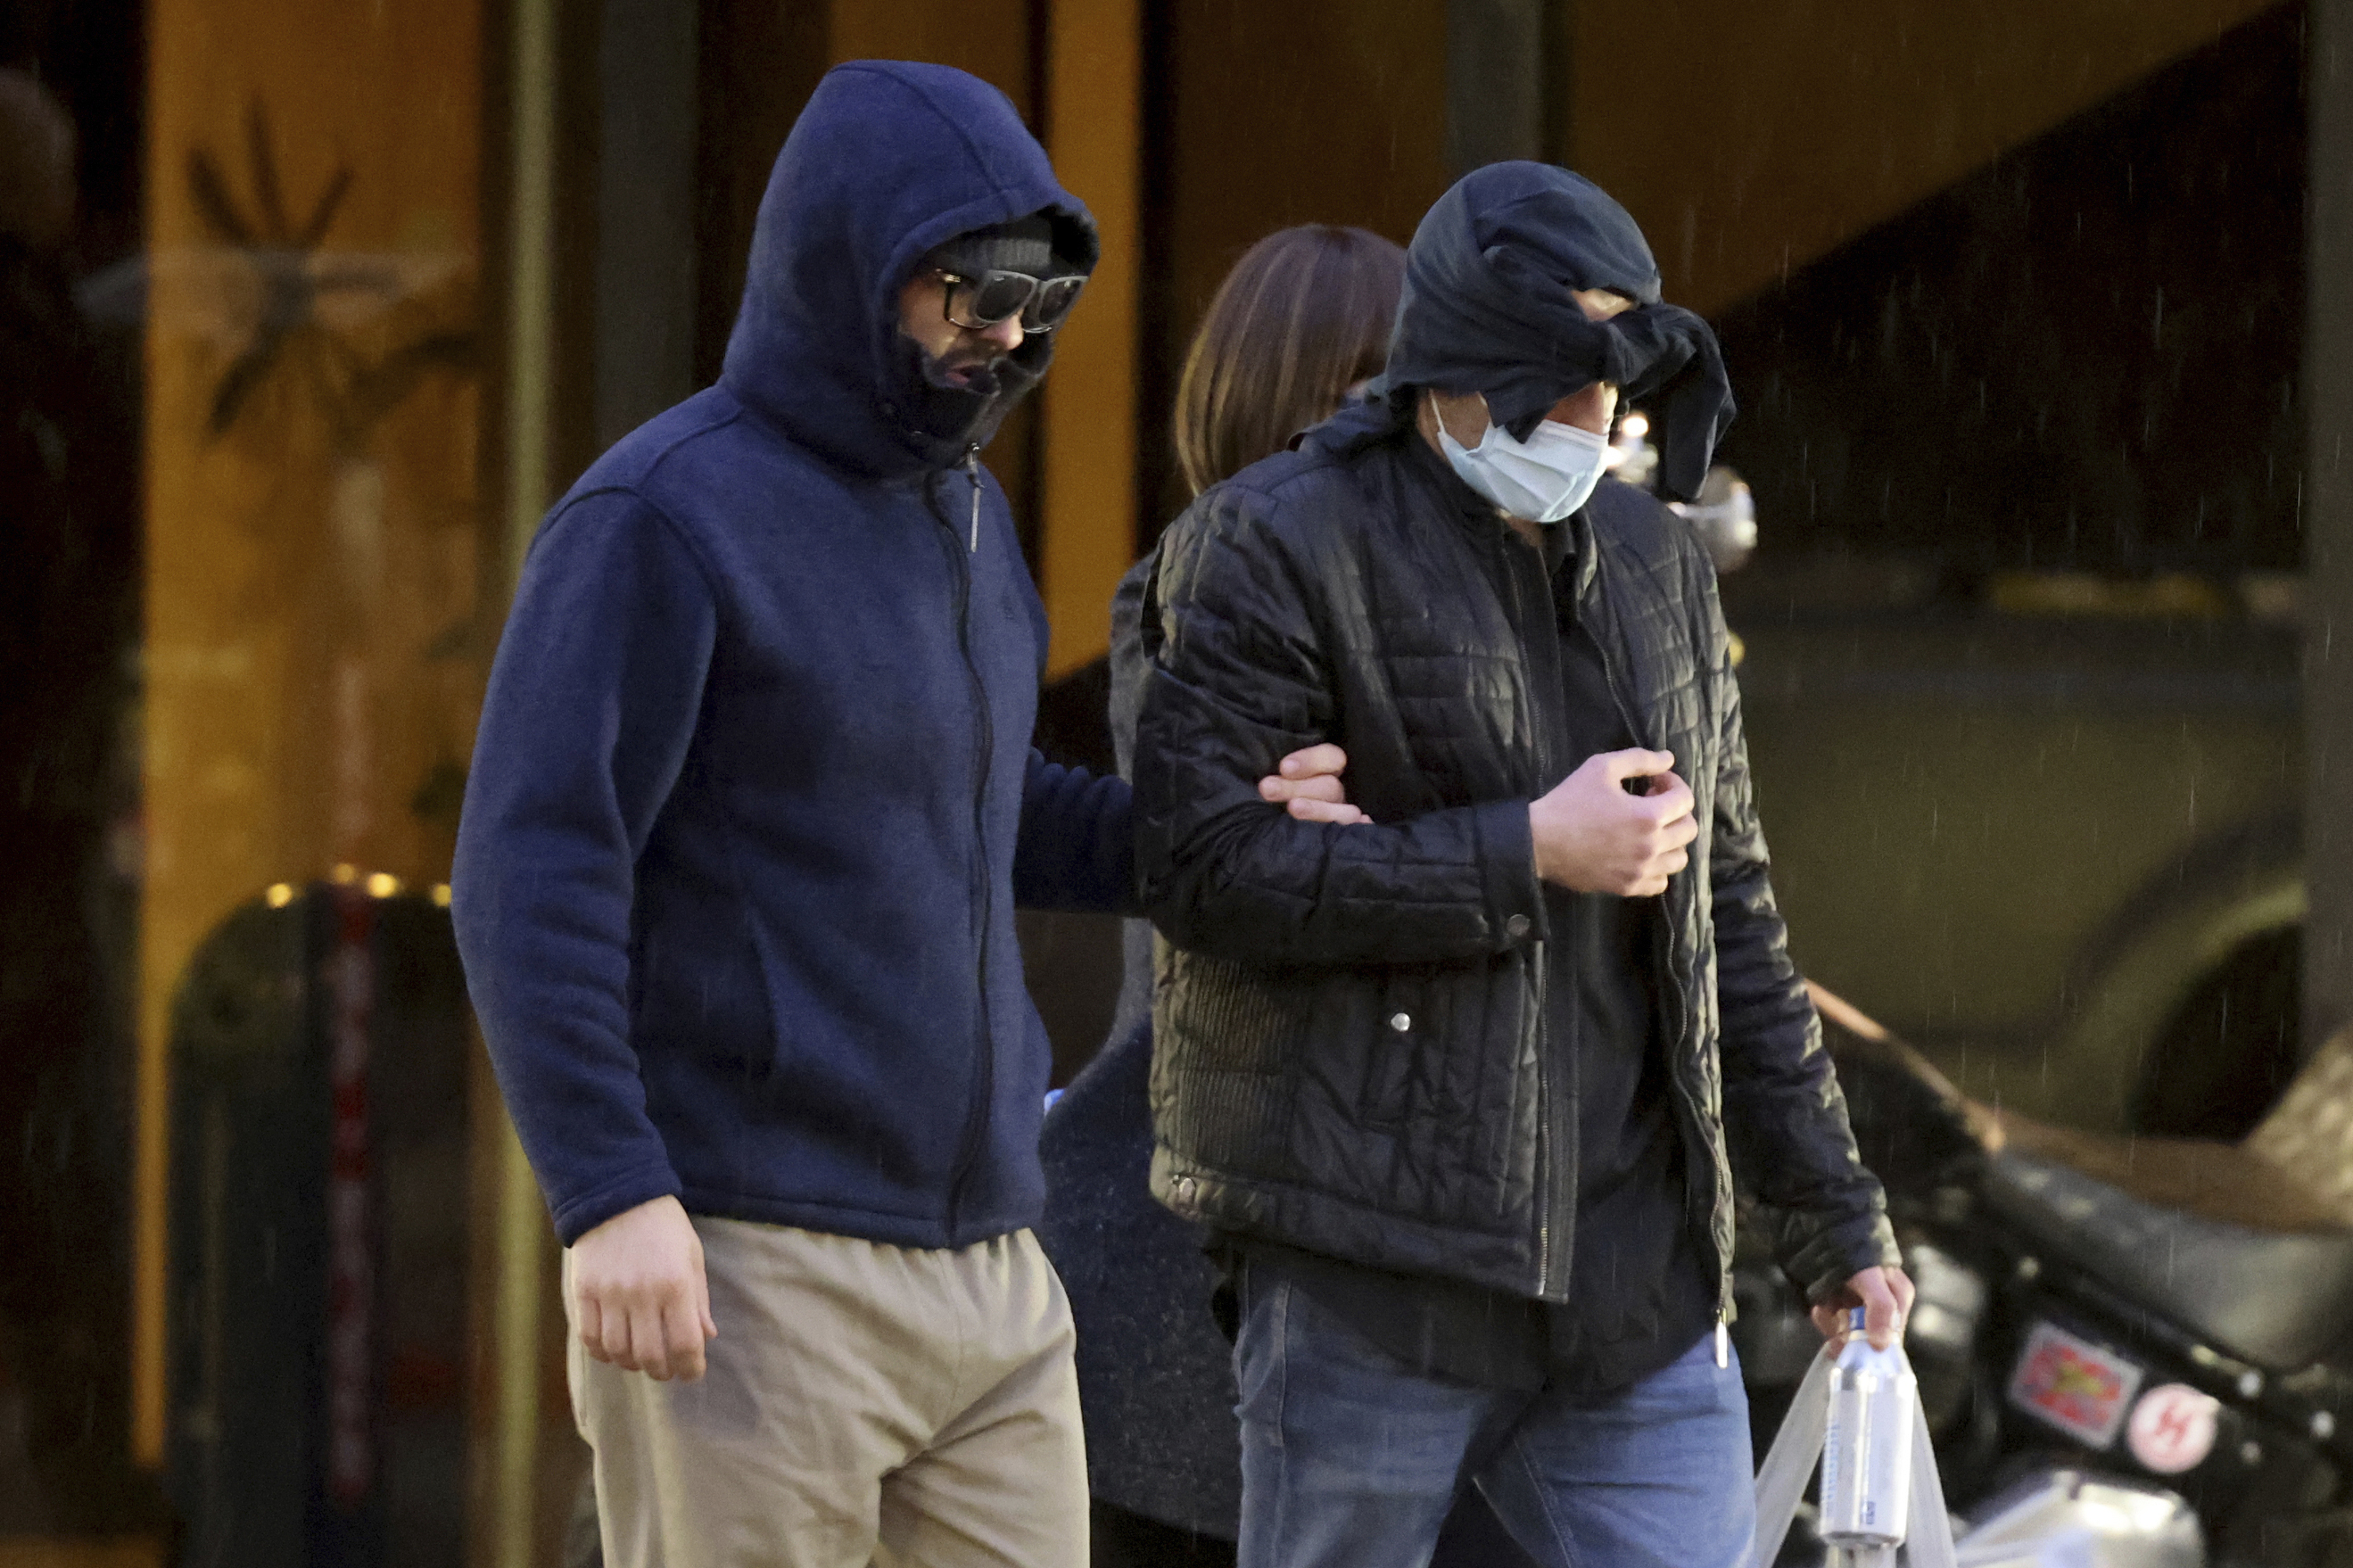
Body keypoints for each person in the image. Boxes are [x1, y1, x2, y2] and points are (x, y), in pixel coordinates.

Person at [452, 62, 1344, 1568]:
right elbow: (532, 866)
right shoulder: (658, 520)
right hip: (749, 1258)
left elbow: (1002, 810)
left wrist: (1225, 830)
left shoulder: (967, 515)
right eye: (972, 290)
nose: (1005, 337)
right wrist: (611, 1193)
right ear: (849, 262)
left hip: (994, 1271)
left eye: (1037, 303)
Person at [1131, 161, 1914, 1568]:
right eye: (1556, 384)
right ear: (1453, 368)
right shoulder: (1268, 545)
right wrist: (1524, 847)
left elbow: (1727, 913)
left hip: (1634, 1289)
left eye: (1612, 386)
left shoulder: (1654, 562)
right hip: (1371, 1272)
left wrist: (1830, 1214)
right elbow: (1205, 875)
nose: (1590, 423)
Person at [1036, 224, 1405, 1568]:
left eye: (1407, 384)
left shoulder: (1478, 606)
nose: (1384, 425)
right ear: (1259, 402)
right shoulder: (1184, 593)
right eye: (1346, 387)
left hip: (1367, 1289)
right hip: (1169, 1276)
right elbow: (1281, 873)